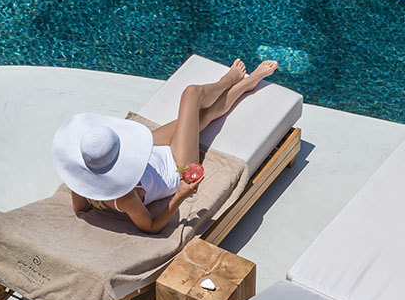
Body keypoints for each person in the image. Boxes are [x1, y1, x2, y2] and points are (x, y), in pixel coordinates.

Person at [51, 59, 278, 234]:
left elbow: (80, 210)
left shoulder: (81, 179)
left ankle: (241, 84)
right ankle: (233, 81)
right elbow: (150, 226)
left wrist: (92, 194)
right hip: (177, 167)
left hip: (149, 153)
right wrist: (180, 196)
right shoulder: (124, 198)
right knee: (192, 95)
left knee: (201, 116)